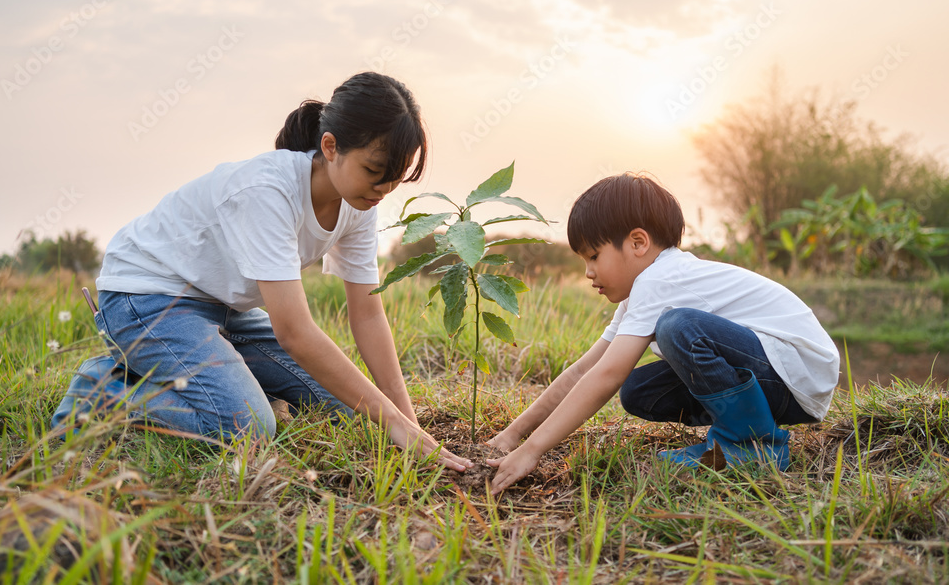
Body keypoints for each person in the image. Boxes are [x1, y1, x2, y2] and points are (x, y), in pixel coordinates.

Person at [52, 72, 472, 473]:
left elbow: (367, 314)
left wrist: (407, 423)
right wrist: (397, 424)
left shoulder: (360, 203)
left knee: (359, 412)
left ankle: (224, 378)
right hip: (146, 299)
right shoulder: (267, 192)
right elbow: (294, 333)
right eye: (374, 171)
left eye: (395, 179)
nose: (383, 189)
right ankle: (100, 392)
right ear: (330, 146)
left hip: (221, 308)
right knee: (247, 427)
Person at [487, 173, 839, 493]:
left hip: (795, 375)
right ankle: (741, 430)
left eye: (594, 256)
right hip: (778, 377)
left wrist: (531, 452)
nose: (588, 272)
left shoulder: (661, 280)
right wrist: (513, 434)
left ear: (638, 242)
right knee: (639, 391)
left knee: (679, 326)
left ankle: (750, 446)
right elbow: (585, 370)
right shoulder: (646, 289)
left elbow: (606, 375)